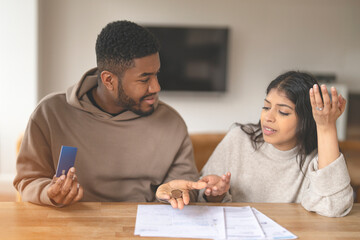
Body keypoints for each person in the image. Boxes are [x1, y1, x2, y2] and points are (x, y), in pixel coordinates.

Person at [13, 20, 205, 207]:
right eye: (144, 79)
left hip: (144, 227)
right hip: (74, 224)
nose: (156, 87)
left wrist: (177, 194)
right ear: (108, 80)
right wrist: (50, 193)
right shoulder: (50, 113)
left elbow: (185, 184)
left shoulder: (171, 122)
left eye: (156, 74)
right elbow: (27, 181)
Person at [156, 71, 353, 217]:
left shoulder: (319, 157)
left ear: (308, 120)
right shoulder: (239, 139)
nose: (268, 117)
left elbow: (334, 207)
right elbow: (201, 198)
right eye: (266, 107)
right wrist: (214, 194)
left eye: (283, 112)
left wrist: (326, 127)